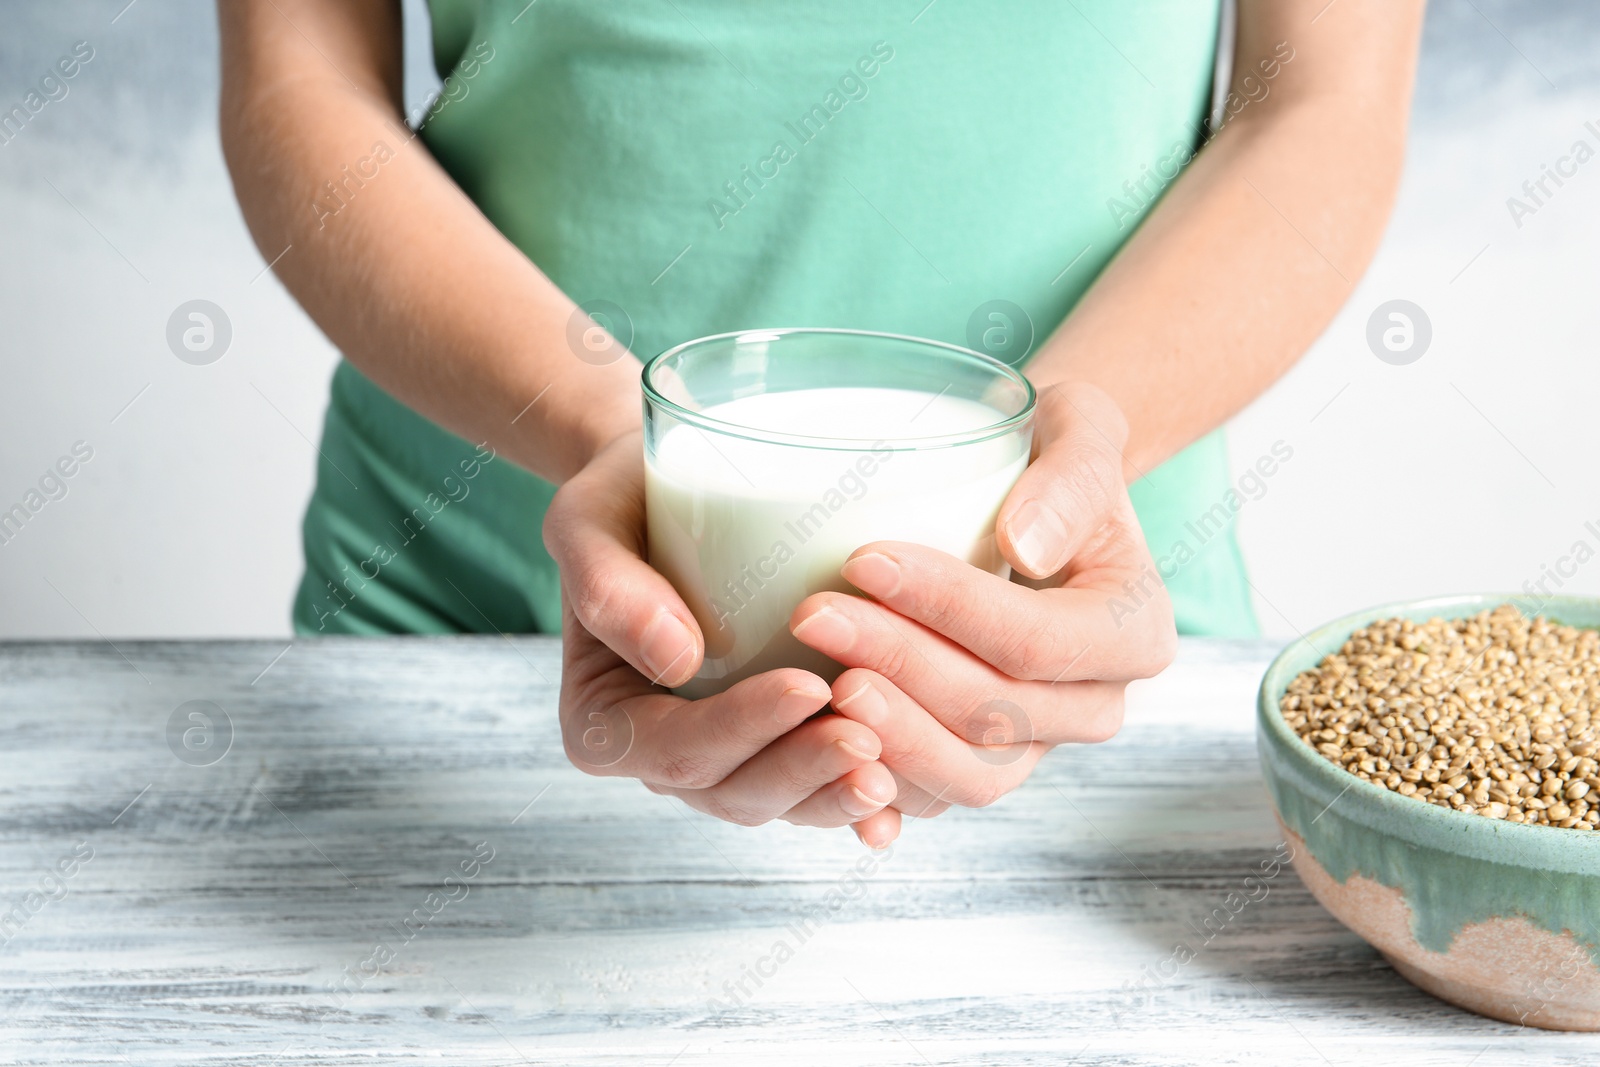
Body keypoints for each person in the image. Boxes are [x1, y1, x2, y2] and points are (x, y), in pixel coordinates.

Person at [218, 0, 1425, 848]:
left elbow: (1318, 103)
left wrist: (1075, 447)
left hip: (1069, 640)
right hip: (459, 631)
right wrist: (605, 428)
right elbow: (300, 79)